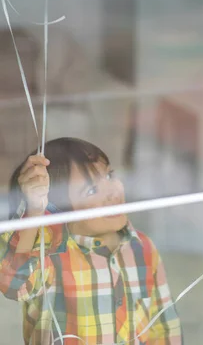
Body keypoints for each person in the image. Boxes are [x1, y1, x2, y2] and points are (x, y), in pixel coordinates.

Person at [0, 137, 183, 345]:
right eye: (92, 190)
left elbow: (165, 326)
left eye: (109, 175)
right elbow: (13, 283)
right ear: (58, 211)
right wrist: (34, 211)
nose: (112, 192)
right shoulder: (50, 255)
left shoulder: (142, 247)